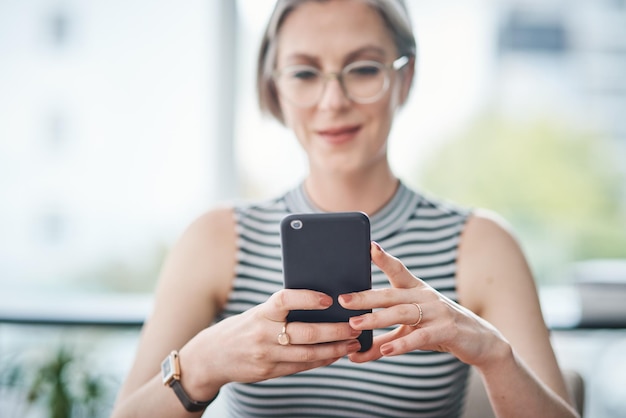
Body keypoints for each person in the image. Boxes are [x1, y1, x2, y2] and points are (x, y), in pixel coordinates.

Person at [111, 0, 579, 417]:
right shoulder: (216, 239)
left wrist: (493, 354)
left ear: (405, 77)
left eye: (363, 69)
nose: (333, 101)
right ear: (274, 88)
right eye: (304, 73)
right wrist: (201, 365)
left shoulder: (482, 245)